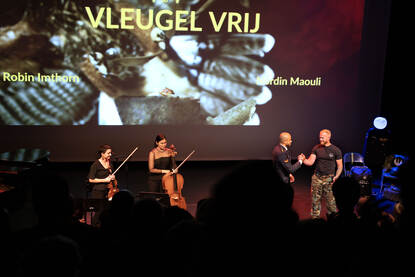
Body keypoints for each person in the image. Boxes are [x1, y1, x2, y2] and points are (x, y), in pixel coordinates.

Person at [303, 129, 343, 219]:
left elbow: (340, 166)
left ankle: (332, 219)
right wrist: (303, 159)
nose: (320, 139)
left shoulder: (336, 150)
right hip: (317, 178)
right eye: (319, 137)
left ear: (329, 137)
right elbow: (310, 162)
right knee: (315, 201)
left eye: (322, 137)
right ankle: (315, 221)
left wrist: (336, 176)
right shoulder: (316, 148)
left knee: (331, 202)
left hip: (329, 179)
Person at [87, 144, 116, 224]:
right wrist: (104, 180)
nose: (110, 154)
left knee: (107, 210)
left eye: (110, 153)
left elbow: (110, 174)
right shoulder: (95, 165)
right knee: (98, 211)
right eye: (108, 153)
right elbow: (91, 179)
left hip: (108, 190)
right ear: (102, 154)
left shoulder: (110, 163)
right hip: (98, 191)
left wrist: (112, 176)